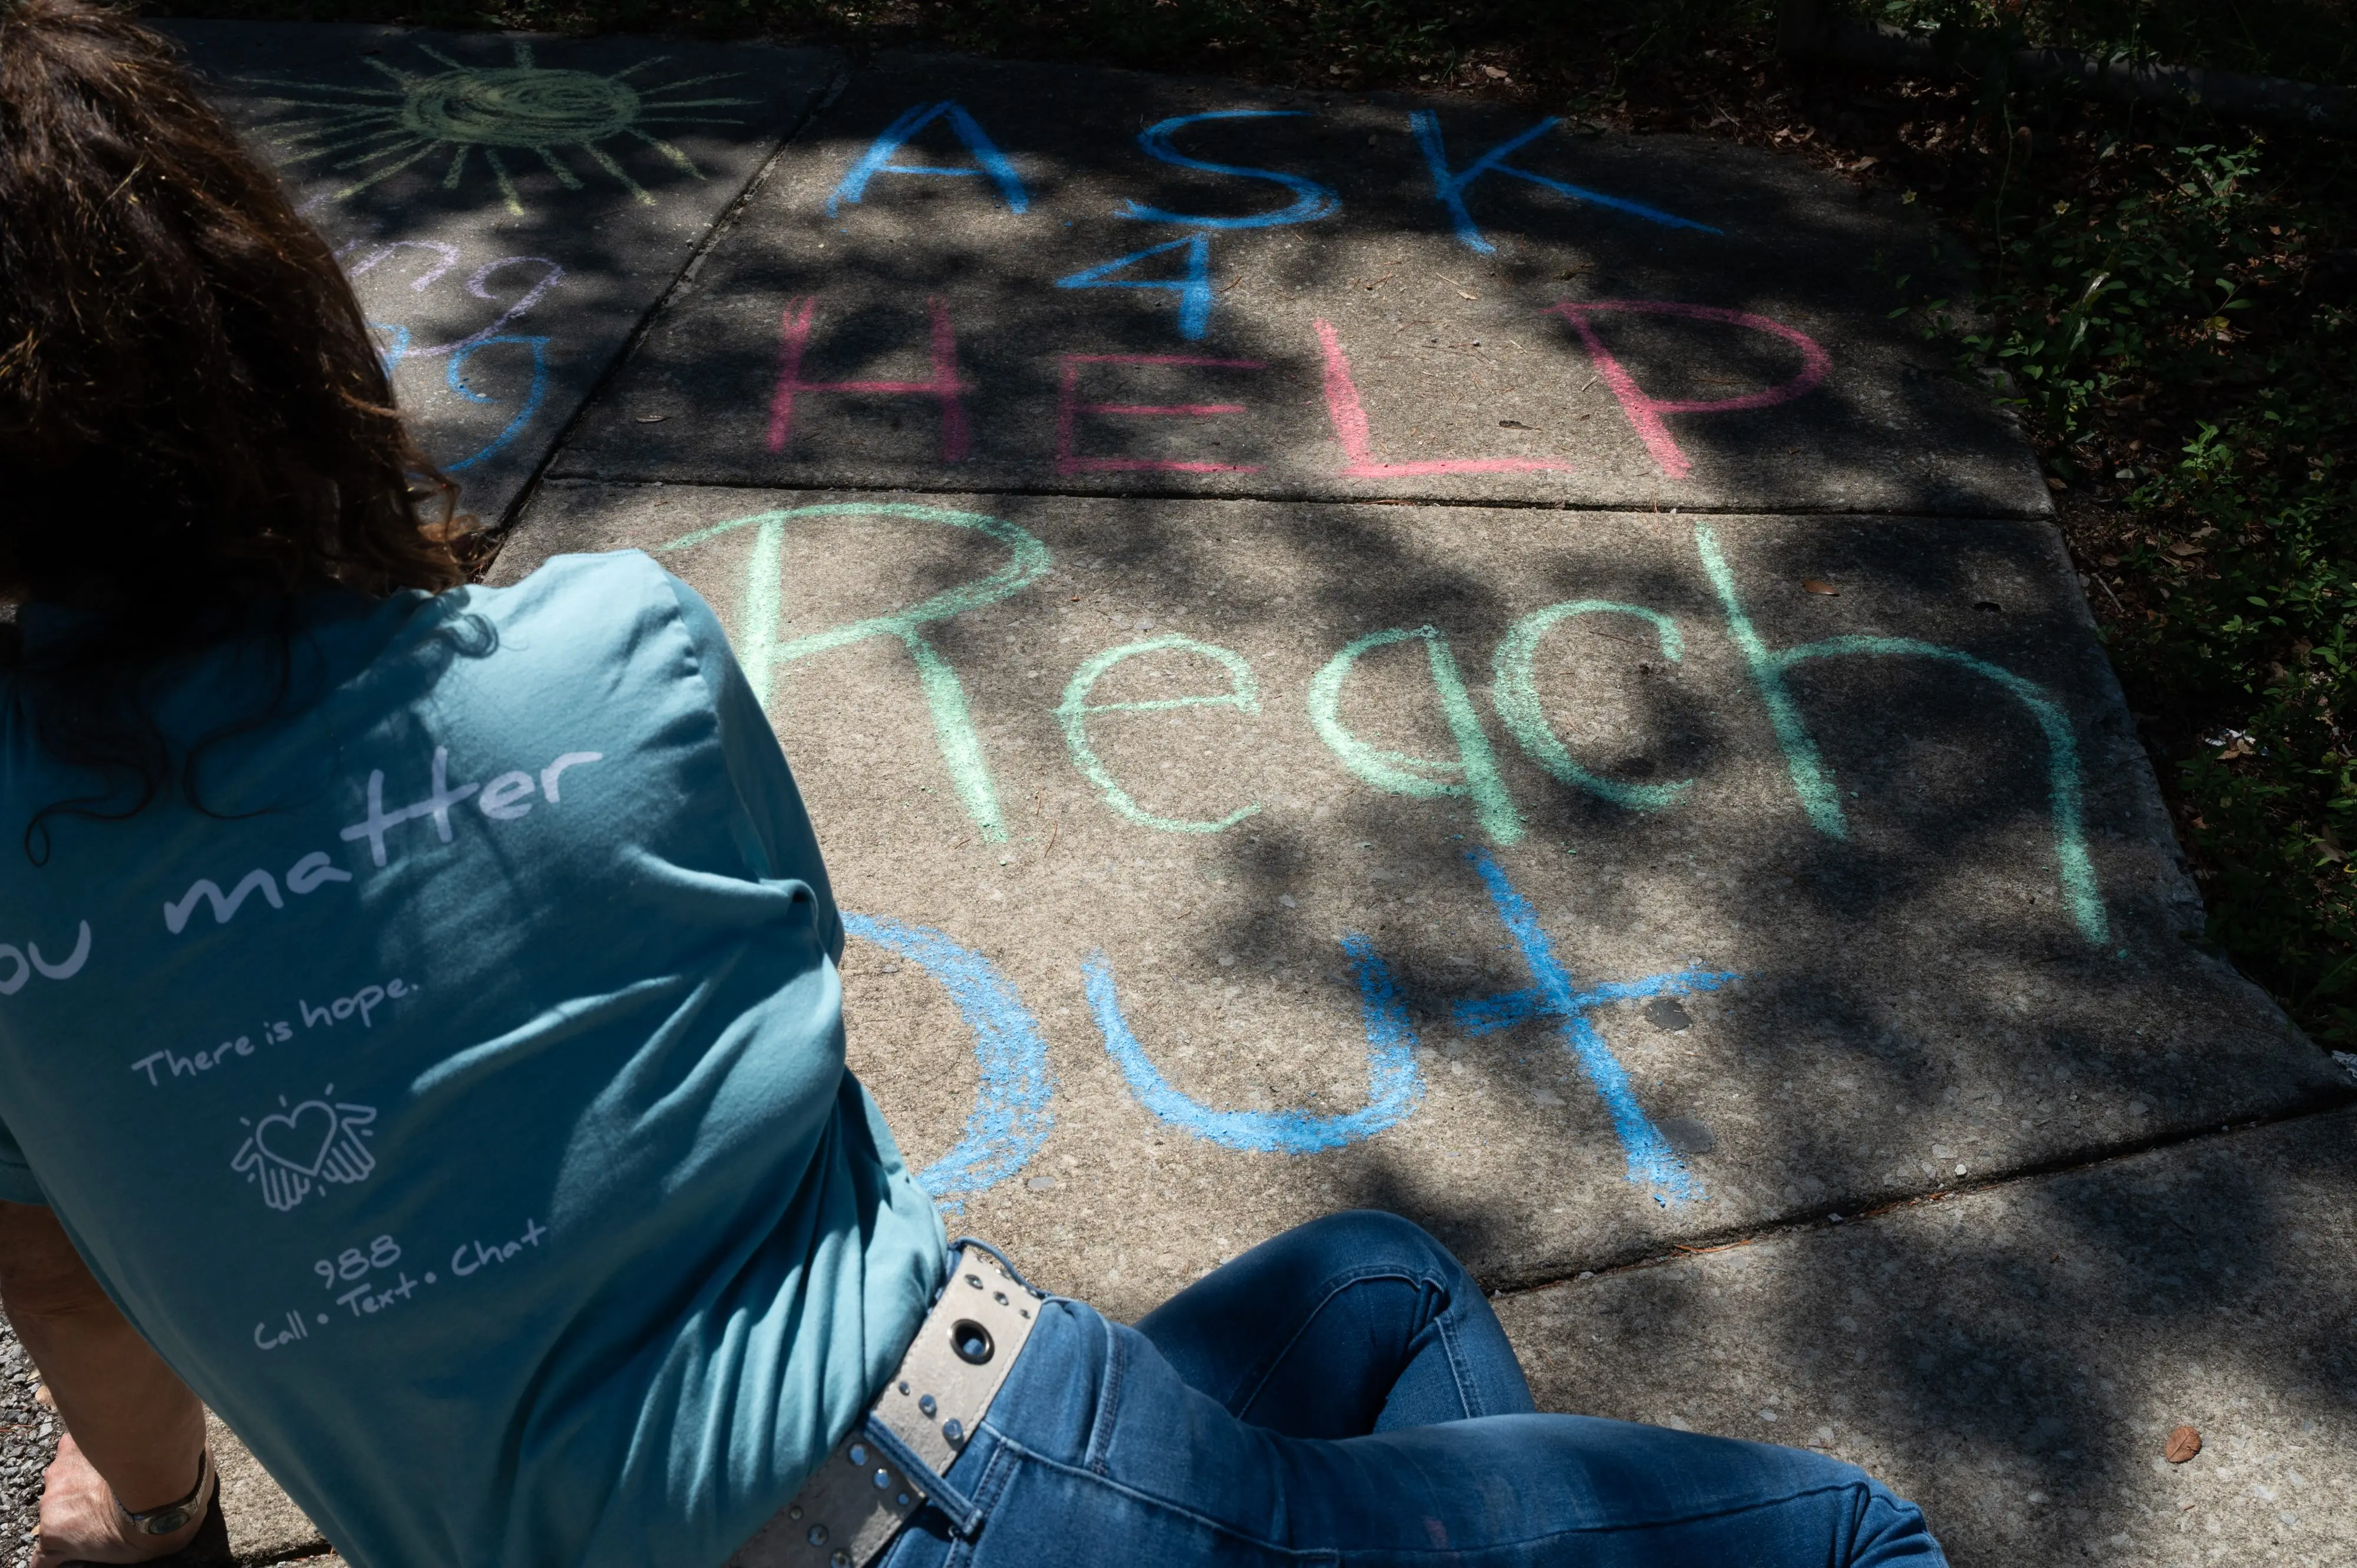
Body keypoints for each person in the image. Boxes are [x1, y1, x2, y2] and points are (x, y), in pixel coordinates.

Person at [0, 4, 1950, 1565]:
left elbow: (68, 1282)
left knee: (1381, 1284)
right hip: (976, 1489)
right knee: (1850, 1533)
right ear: (260, 322)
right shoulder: (602, 655)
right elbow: (776, 988)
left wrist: (150, 1507)